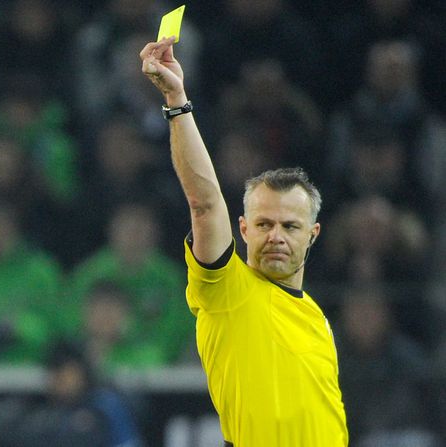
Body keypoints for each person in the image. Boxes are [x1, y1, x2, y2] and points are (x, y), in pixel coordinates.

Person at [140, 37, 348, 446]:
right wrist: (177, 101)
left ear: (313, 235)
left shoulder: (315, 316)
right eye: (264, 223)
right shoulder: (227, 290)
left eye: (290, 226)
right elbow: (204, 205)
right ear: (244, 229)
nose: (276, 236)